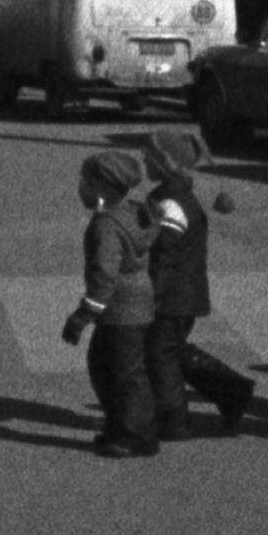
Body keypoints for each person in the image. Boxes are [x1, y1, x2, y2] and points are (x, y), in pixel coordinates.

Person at [137, 126, 256, 439]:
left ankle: (173, 421)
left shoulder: (171, 205)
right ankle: (232, 391)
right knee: (170, 350)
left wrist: (151, 294)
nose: (143, 163)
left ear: (165, 164)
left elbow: (166, 257)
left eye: (148, 158)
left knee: (160, 355)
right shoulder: (174, 196)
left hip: (172, 297)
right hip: (184, 294)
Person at [59, 148, 161, 459]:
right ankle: (123, 427)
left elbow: (104, 276)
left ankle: (135, 436)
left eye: (84, 183)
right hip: (138, 302)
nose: (80, 188)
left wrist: (83, 315)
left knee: (120, 374)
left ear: (100, 189)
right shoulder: (131, 211)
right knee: (112, 369)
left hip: (122, 309)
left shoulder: (105, 226)